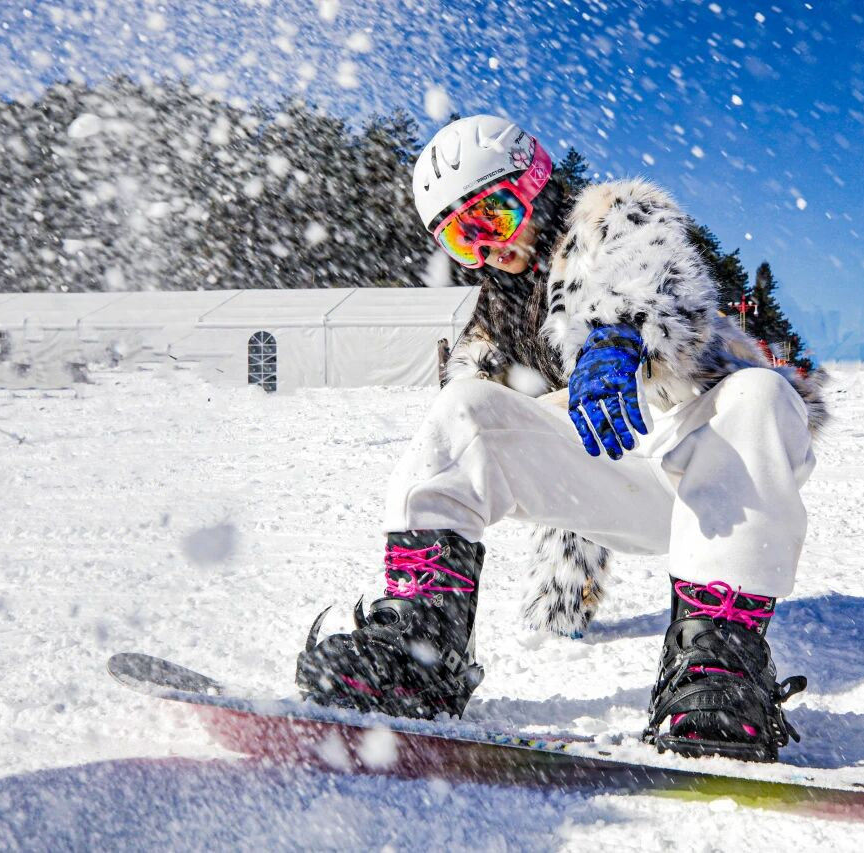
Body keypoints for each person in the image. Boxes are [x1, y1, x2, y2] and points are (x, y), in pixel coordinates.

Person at [297, 115, 828, 762]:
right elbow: (485, 435)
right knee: (464, 410)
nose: (486, 248)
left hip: (720, 471)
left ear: (537, 184)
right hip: (616, 480)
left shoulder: (610, 219)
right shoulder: (494, 318)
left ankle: (717, 670)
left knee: (760, 391)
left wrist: (623, 329)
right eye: (463, 240)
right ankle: (421, 648)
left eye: (492, 216)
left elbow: (653, 267)